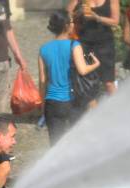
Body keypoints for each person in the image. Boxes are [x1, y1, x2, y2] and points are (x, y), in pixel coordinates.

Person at [38, 10, 100, 145]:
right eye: (71, 22)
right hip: (72, 101)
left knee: (55, 143)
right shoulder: (74, 45)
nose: (73, 25)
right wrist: (96, 64)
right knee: (76, 141)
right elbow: (83, 70)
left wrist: (43, 106)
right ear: (67, 25)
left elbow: (42, 80)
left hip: (52, 103)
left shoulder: (43, 49)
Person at [66, 0, 119, 97]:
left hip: (105, 43)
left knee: (108, 82)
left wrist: (97, 17)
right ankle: (92, 109)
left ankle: (118, 109)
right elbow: (67, 17)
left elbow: (115, 21)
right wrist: (78, 13)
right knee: (86, 81)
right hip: (85, 42)